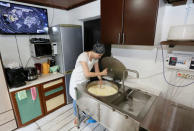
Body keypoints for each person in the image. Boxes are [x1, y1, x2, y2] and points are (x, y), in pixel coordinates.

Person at [69, 43, 107, 125]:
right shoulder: (83, 56)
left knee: (85, 98)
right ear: (95, 52)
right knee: (76, 98)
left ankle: (86, 113)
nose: (100, 57)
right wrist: (102, 73)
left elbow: (97, 71)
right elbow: (87, 73)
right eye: (99, 55)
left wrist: (100, 79)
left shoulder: (96, 59)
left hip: (85, 80)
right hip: (76, 80)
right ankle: (77, 116)